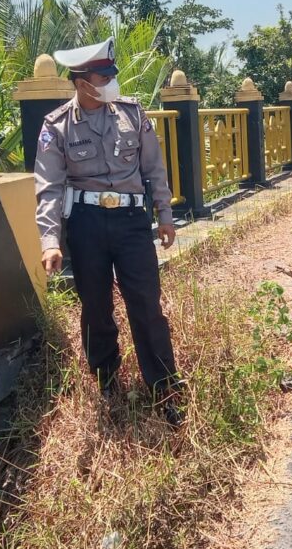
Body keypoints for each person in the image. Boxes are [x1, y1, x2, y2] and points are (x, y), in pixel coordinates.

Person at [34, 37, 184, 424]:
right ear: (82, 82)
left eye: (111, 76)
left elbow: (154, 168)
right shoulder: (57, 127)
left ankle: (163, 384)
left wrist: (164, 214)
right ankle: (107, 382)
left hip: (132, 223)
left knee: (146, 304)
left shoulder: (132, 114)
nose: (111, 84)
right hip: (87, 226)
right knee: (96, 308)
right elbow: (49, 186)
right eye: (104, 77)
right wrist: (50, 241)